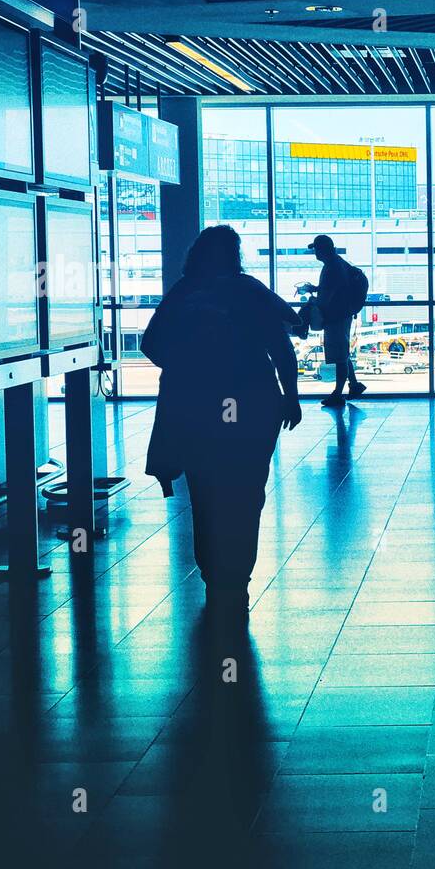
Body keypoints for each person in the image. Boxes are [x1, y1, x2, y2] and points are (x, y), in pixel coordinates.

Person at [142, 225, 304, 617]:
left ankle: (214, 578)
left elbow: (150, 344)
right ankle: (237, 581)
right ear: (235, 254)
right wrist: (291, 395)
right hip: (253, 402)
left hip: (197, 407)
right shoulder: (248, 290)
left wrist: (188, 366)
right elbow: (282, 344)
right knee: (246, 495)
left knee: (206, 495)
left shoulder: (183, 292)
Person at [308, 234, 369, 407]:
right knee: (342, 353)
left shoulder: (332, 267)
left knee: (340, 356)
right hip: (342, 315)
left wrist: (316, 302)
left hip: (336, 316)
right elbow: (335, 288)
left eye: (316, 249)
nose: (315, 253)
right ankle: (354, 385)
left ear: (322, 249)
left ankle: (337, 394)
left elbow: (332, 294)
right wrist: (316, 289)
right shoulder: (338, 263)